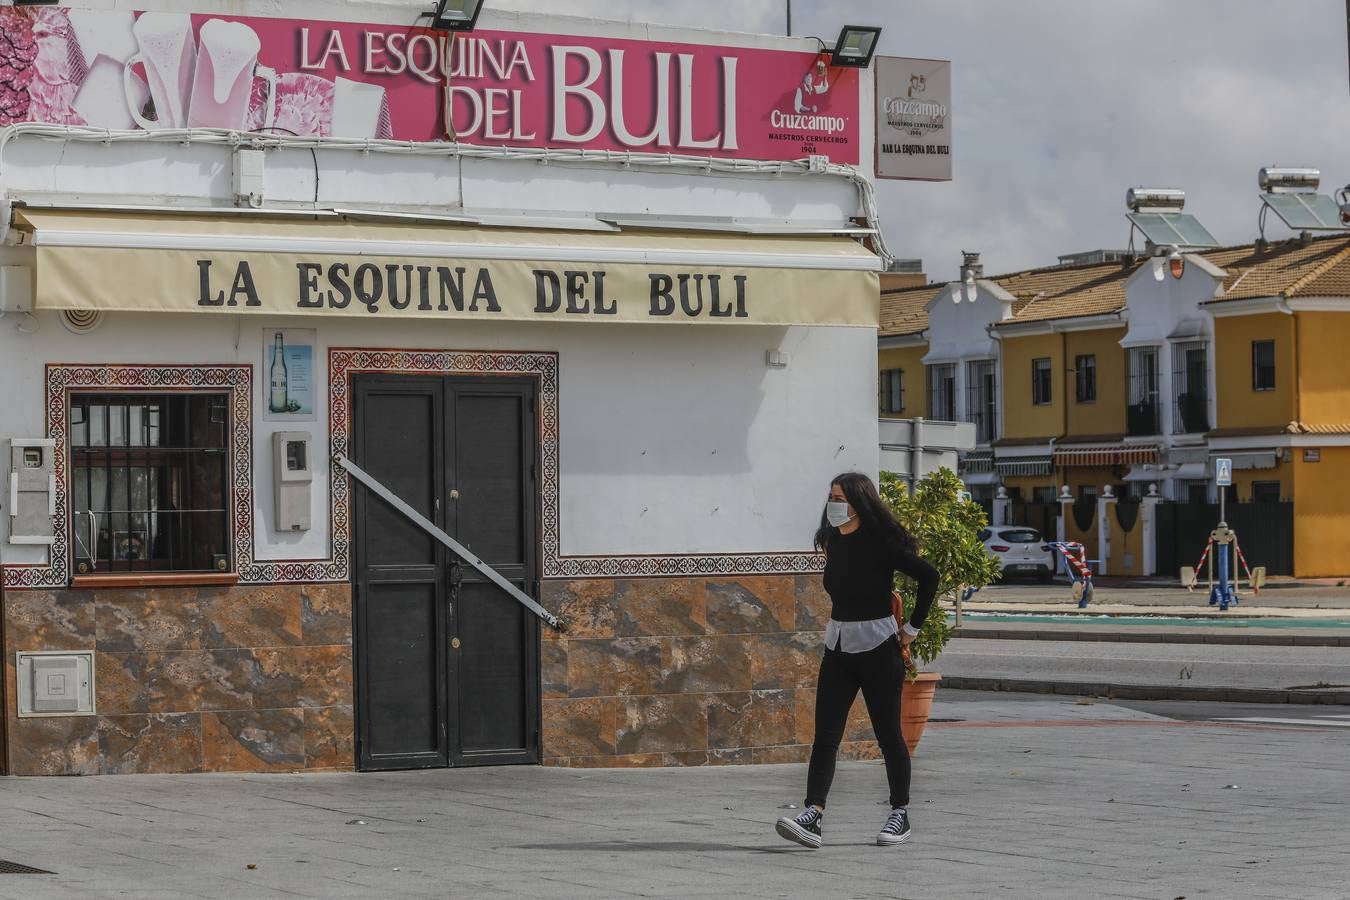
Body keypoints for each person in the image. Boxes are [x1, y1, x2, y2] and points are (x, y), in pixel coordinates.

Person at [775, 472, 939, 849]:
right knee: (826, 736)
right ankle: (813, 815)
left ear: (859, 502)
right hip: (838, 648)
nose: (834, 504)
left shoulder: (881, 542)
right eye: (831, 496)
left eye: (841, 498)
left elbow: (929, 576)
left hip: (880, 649)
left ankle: (900, 813)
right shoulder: (831, 540)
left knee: (888, 736)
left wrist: (912, 629)